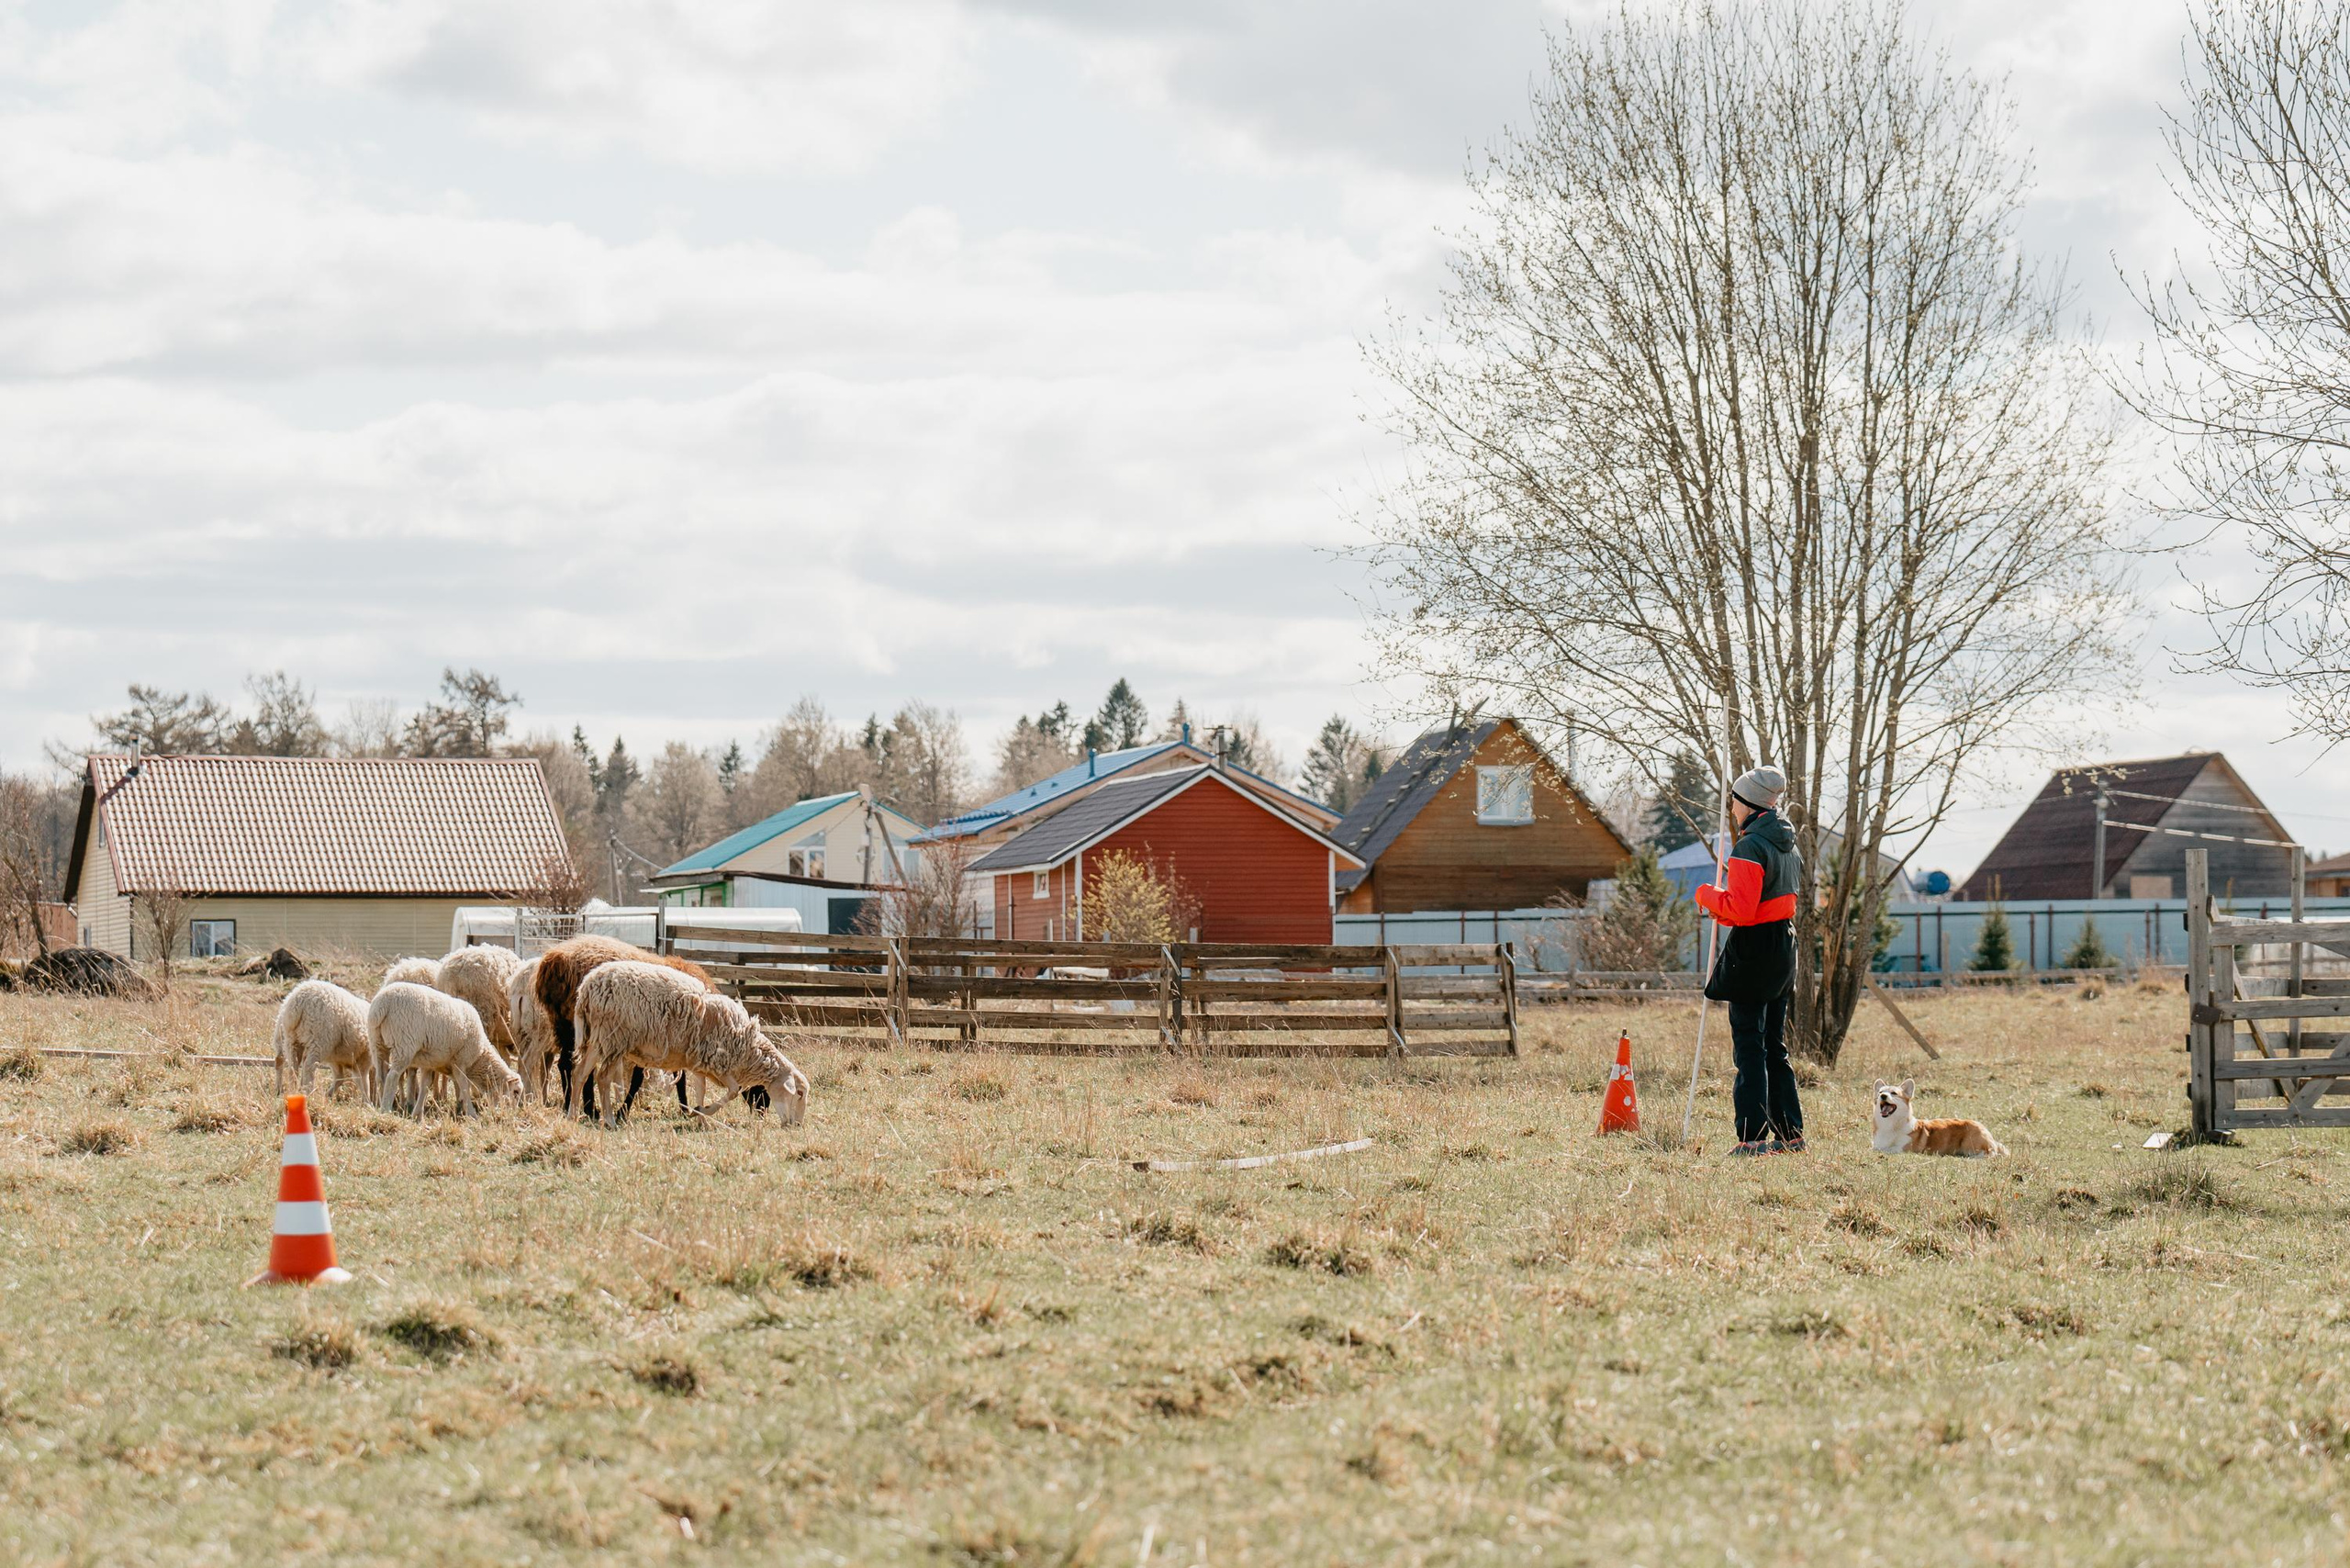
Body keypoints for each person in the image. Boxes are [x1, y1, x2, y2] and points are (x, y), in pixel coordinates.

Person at [1693, 765, 1803, 1156]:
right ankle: (1790, 1136)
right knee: (1775, 1045)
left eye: (1734, 800)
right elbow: (1765, 905)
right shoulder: (1789, 844)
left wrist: (1706, 895)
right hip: (1783, 946)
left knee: (1750, 1047)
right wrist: (1724, 908)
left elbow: (1741, 910)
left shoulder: (1749, 847)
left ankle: (1752, 1138)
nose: (1731, 807)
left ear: (1747, 803)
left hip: (1753, 952)